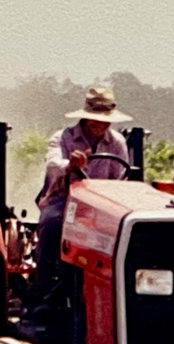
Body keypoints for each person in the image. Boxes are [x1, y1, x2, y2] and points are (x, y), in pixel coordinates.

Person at [34, 85, 133, 283]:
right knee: (52, 224)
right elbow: (53, 166)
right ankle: (43, 284)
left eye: (105, 121)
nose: (100, 124)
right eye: (96, 119)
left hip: (104, 205)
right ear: (86, 116)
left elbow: (122, 178)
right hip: (66, 200)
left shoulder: (117, 143)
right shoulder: (63, 138)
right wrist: (70, 164)